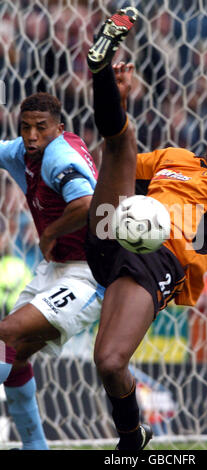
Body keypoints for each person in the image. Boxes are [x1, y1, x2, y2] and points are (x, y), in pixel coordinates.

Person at [85, 7, 207, 451]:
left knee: (108, 361)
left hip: (158, 256)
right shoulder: (174, 158)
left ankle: (132, 439)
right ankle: (102, 72)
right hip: (114, 229)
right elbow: (118, 170)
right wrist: (120, 105)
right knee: (120, 143)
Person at [0, 92, 104, 450]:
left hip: (89, 273)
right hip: (56, 268)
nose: (32, 136)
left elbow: (86, 205)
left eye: (41, 128)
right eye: (25, 127)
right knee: (14, 355)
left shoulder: (59, 154)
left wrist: (49, 232)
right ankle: (36, 446)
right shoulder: (21, 151)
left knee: (5, 336)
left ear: (58, 129)